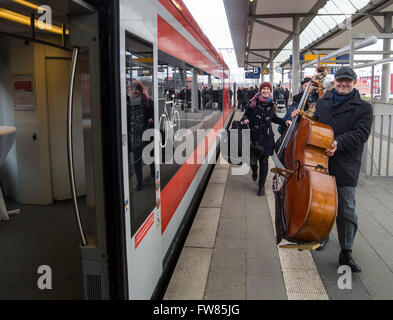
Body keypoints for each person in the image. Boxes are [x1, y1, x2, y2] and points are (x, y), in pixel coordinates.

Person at [291, 66, 373, 272]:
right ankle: (321, 235)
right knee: (319, 204)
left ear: (354, 83)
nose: (343, 84)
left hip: (345, 164)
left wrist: (338, 143)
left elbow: (361, 134)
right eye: (340, 81)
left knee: (346, 210)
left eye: (348, 81)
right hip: (319, 162)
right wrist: (301, 118)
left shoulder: (363, 108)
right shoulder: (323, 102)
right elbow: (314, 125)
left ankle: (346, 251)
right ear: (334, 82)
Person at [241, 82, 290, 196]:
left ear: (270, 91)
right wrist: (244, 119)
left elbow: (274, 118)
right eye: (264, 89)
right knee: (253, 160)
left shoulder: (271, 104)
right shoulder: (252, 103)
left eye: (268, 89)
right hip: (253, 137)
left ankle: (261, 185)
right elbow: (245, 114)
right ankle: (254, 170)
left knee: (264, 162)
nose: (266, 91)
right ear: (260, 90)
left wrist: (284, 121)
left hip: (266, 138)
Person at [127, 80, 154, 191]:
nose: (134, 91)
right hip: (134, 134)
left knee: (148, 156)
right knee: (137, 159)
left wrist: (150, 120)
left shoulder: (147, 102)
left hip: (146, 133)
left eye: (136, 89)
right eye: (132, 89)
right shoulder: (127, 103)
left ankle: (152, 168)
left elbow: (152, 115)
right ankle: (139, 182)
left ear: (140, 90)